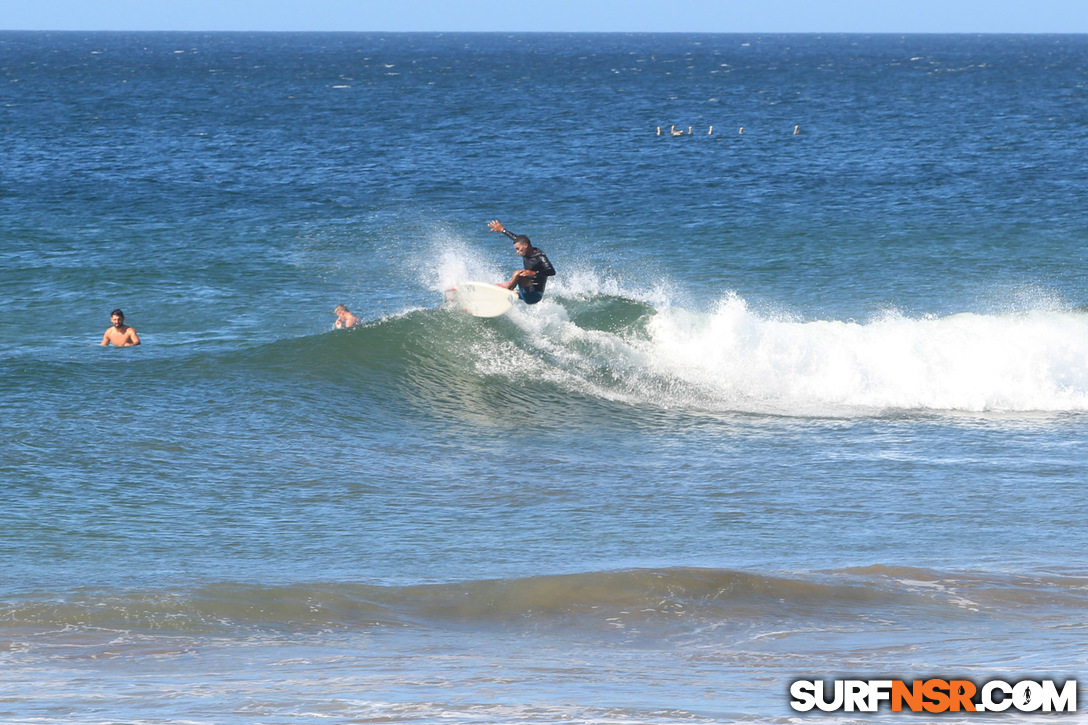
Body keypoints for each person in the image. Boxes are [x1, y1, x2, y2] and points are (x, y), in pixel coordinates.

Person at [488, 219, 556, 305]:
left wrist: (534, 273)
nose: (517, 252)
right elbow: (517, 239)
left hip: (534, 295)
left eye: (518, 249)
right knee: (499, 286)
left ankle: (504, 295)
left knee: (518, 273)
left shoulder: (540, 256)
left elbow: (552, 271)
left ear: (525, 245)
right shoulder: (524, 249)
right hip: (523, 290)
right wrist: (503, 230)